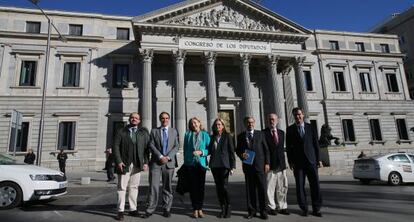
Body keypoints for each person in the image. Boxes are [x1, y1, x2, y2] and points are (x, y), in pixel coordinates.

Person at [113, 112, 150, 221]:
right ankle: (120, 210)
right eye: (132, 117)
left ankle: (133, 209)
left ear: (139, 121)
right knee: (122, 187)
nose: (134, 119)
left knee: (134, 187)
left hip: (137, 164)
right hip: (124, 164)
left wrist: (146, 162)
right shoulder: (121, 131)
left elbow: (146, 149)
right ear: (129, 119)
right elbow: (115, 146)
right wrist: (119, 161)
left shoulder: (142, 133)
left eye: (136, 118)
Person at [286, 107, 322, 217]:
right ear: (293, 116)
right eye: (295, 115)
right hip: (298, 163)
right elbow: (289, 148)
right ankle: (304, 208)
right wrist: (290, 161)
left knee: (315, 185)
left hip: (311, 161)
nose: (297, 116)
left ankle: (317, 208)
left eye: (299, 114)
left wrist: (319, 159)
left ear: (303, 115)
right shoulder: (290, 129)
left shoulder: (311, 127)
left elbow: (316, 144)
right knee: (300, 187)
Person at [143, 112, 179, 218]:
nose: (165, 120)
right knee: (153, 186)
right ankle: (150, 209)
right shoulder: (154, 131)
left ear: (169, 119)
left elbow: (176, 146)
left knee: (167, 187)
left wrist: (167, 157)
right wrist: (160, 156)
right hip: (156, 163)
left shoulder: (174, 131)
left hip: (169, 163)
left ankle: (166, 208)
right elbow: (151, 144)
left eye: (167, 118)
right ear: (160, 119)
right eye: (163, 118)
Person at [236, 116, 270, 220]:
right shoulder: (241, 136)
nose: (250, 124)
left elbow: (266, 149)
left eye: (251, 122)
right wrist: (242, 155)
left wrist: (267, 163)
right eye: (248, 122)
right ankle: (252, 211)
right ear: (244, 124)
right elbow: (238, 150)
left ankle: (263, 211)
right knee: (250, 191)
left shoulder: (260, 134)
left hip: (260, 166)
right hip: (248, 166)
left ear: (254, 123)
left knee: (262, 189)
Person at [208, 118, 236, 218]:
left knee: (224, 187)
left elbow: (231, 152)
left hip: (224, 165)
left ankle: (228, 206)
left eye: (219, 124)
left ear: (223, 126)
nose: (218, 126)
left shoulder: (227, 136)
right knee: (218, 188)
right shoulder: (212, 137)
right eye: (216, 125)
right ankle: (222, 208)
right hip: (214, 166)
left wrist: (232, 166)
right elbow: (209, 150)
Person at [183, 117, 210, 218]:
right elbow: (185, 149)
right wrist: (186, 162)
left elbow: (209, 149)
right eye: (192, 123)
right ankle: (195, 208)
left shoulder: (205, 135)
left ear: (199, 123)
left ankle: (200, 208)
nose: (194, 124)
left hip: (201, 164)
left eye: (195, 122)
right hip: (191, 164)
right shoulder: (187, 134)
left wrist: (202, 152)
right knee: (193, 188)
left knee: (201, 188)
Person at [263, 114, 290, 216]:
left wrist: (285, 162)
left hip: (281, 164)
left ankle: (282, 206)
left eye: (273, 119)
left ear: (277, 121)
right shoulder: (263, 133)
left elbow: (281, 149)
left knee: (282, 187)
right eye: (270, 119)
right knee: (270, 187)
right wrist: (266, 163)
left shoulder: (282, 133)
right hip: (270, 165)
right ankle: (271, 207)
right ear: (267, 121)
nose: (272, 121)